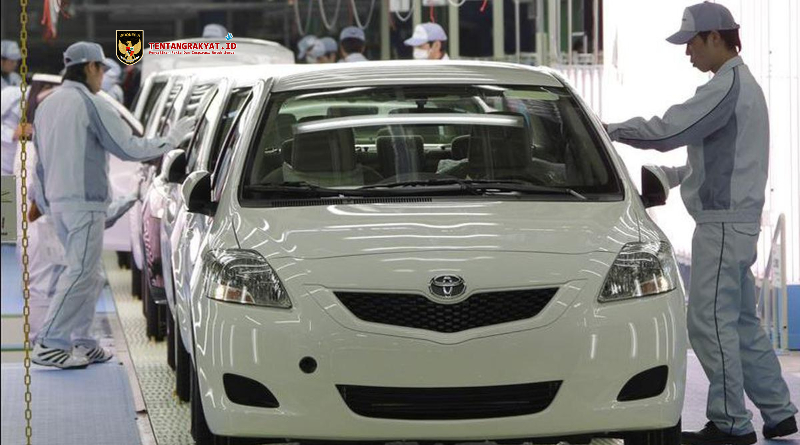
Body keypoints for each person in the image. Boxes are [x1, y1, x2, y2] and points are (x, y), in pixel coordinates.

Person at [604, 3, 797, 443]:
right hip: (734, 223)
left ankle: (731, 424)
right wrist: (673, 178)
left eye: (690, 43)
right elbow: (714, 161)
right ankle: (779, 411)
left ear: (714, 37)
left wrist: (609, 129)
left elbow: (670, 131)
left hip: (723, 226)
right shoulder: (741, 87)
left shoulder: (726, 87)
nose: (687, 52)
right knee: (741, 325)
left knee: (708, 323)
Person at [30, 42, 195, 369]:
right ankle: (49, 343)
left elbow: (39, 161)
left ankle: (84, 341)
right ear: (90, 67)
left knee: (88, 275)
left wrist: (45, 203)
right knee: (81, 273)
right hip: (84, 204)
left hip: (59, 204)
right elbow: (129, 148)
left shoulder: (47, 106)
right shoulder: (92, 103)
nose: (103, 76)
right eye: (102, 69)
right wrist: (172, 140)